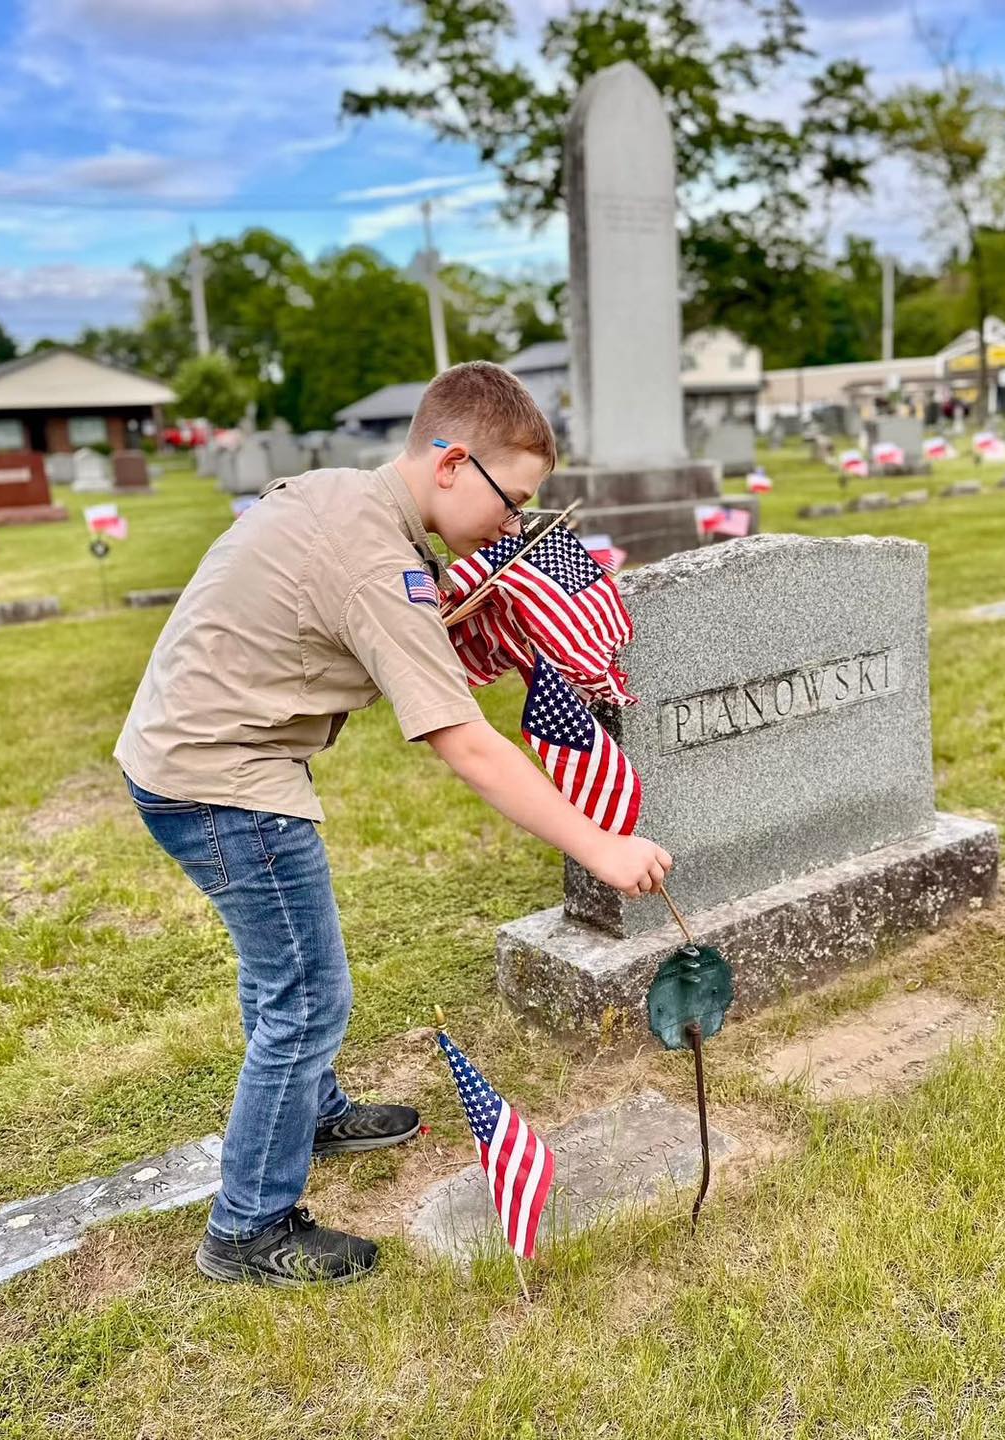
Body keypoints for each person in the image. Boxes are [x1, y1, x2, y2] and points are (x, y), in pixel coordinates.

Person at [115, 361, 672, 1288]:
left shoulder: (352, 501)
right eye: (513, 499)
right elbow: (468, 746)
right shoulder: (379, 562)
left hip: (190, 758)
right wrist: (601, 845)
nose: (516, 524)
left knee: (281, 968)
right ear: (451, 463)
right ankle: (249, 1226)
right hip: (221, 779)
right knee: (305, 992)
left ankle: (313, 1110)